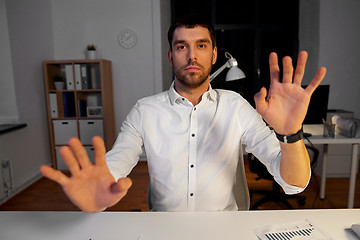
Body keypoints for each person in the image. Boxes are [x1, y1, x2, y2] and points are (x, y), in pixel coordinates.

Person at [40, 15, 326, 212]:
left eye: (201, 46)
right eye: (181, 47)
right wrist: (99, 192)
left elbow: (294, 183)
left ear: (214, 56)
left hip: (225, 232)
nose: (192, 55)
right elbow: (117, 163)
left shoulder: (236, 106)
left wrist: (289, 134)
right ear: (170, 56)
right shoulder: (145, 110)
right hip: (164, 230)